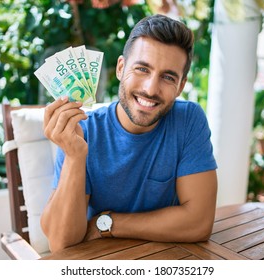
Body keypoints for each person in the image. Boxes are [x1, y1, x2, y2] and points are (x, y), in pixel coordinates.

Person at [41, 14, 218, 253]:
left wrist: (108, 223)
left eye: (168, 77)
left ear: (181, 86)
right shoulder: (84, 130)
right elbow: (61, 244)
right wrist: (74, 156)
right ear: (121, 68)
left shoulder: (188, 121)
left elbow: (198, 223)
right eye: (142, 69)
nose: (150, 89)